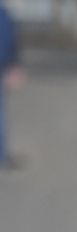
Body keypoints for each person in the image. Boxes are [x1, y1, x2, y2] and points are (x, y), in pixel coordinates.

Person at [0, 3, 22, 170]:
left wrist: (14, 65)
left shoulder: (4, 14)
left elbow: (12, 40)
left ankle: (1, 154)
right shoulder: (5, 14)